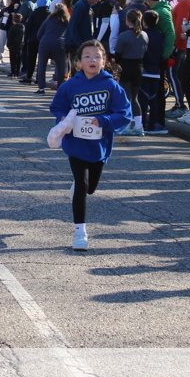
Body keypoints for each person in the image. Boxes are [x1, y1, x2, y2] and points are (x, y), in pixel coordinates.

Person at [47, 40, 132, 251]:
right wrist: (63, 118)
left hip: (99, 146)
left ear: (104, 61)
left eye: (97, 56)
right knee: (82, 185)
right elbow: (56, 108)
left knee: (90, 187)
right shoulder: (69, 86)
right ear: (78, 62)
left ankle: (79, 186)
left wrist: (103, 120)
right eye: (87, 56)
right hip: (76, 144)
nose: (92, 60)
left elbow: (124, 114)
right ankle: (80, 233)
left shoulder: (111, 86)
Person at [115, 9, 148, 135]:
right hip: (139, 67)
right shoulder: (144, 35)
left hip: (126, 66)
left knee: (126, 98)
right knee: (135, 98)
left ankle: (126, 125)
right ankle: (139, 126)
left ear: (128, 20)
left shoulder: (123, 36)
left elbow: (118, 54)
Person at [138, 10, 167, 134]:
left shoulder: (142, 35)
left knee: (143, 98)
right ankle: (152, 124)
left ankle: (142, 124)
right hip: (156, 69)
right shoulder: (161, 35)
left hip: (144, 69)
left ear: (144, 22)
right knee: (154, 98)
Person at [35, 1, 69, 94]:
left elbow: (39, 34)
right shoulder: (66, 22)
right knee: (60, 66)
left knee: (42, 65)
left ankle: (41, 88)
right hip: (59, 44)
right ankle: (60, 87)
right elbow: (69, 35)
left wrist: (43, 40)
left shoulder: (48, 20)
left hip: (45, 43)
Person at [7, 13, 25, 78]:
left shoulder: (12, 28)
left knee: (13, 59)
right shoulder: (23, 27)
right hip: (20, 45)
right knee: (18, 60)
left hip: (13, 45)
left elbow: (10, 37)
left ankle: (13, 72)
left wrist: (8, 44)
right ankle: (17, 72)